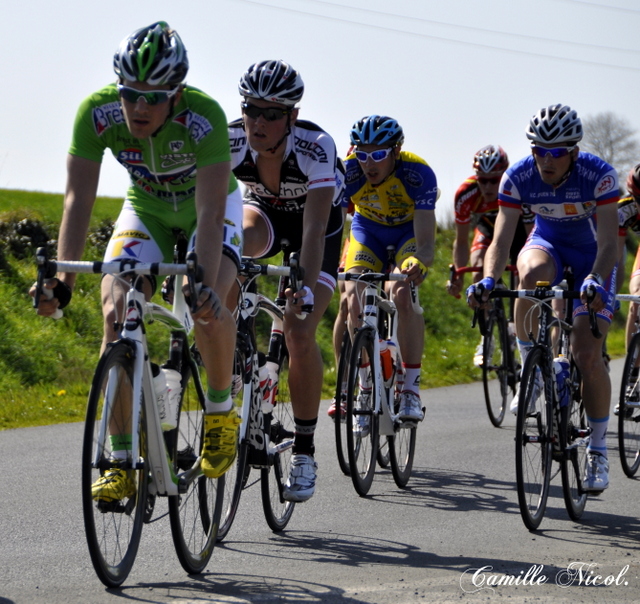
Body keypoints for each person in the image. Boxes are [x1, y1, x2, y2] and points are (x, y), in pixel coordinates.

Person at [30, 22, 244, 499]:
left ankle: (219, 409)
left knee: (208, 305)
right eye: (130, 94)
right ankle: (122, 459)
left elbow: (210, 217)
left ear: (178, 92)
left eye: (154, 97)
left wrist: (201, 280)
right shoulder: (97, 113)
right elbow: (76, 201)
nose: (139, 107)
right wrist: (63, 278)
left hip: (208, 211)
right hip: (145, 209)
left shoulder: (204, 117)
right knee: (115, 312)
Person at [467, 104, 619, 493]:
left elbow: (608, 243)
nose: (546, 160)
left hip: (593, 257)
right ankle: (530, 369)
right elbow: (501, 240)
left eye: (556, 152)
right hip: (547, 244)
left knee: (587, 353)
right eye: (539, 151)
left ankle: (598, 451)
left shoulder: (598, 175)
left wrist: (597, 280)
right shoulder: (517, 177)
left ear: (573, 151)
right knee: (529, 275)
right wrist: (487, 280)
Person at [228, 60, 344, 502]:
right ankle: (234, 341)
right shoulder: (232, 138)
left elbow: (314, 231)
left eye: (271, 113)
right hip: (266, 215)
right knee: (234, 246)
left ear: (292, 117)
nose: (258, 121)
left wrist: (305, 287)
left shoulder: (316, 148)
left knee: (297, 330)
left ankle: (305, 450)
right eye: (251, 108)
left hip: (318, 227)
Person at [336, 115, 438, 423]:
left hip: (408, 233)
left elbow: (426, 245)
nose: (369, 163)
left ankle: (410, 389)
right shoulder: (348, 171)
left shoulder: (417, 173)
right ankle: (366, 384)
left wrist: (418, 263)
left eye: (378, 154)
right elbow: (332, 225)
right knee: (353, 296)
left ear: (396, 151)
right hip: (368, 232)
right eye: (362, 154)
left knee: (402, 293)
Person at [447, 145, 533, 366]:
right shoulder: (466, 194)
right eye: (482, 180)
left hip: (516, 234)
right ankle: (487, 338)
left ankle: (515, 328)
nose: (487, 186)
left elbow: (530, 235)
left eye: (493, 180)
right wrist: (458, 273)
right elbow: (462, 240)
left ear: (503, 176)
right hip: (486, 229)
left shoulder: (517, 189)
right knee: (478, 269)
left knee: (521, 272)